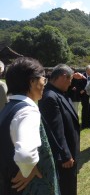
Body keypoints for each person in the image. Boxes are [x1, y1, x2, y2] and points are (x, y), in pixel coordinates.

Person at [0, 57, 60, 195]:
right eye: (43, 79)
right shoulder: (27, 111)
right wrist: (27, 169)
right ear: (32, 81)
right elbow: (26, 155)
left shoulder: (9, 107)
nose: (44, 83)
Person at [39, 64, 81, 195]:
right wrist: (65, 155)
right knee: (66, 187)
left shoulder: (58, 92)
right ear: (63, 77)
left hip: (69, 150)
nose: (70, 83)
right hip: (64, 157)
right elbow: (55, 130)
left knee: (70, 184)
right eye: (69, 80)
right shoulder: (50, 97)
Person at [79, 65, 90, 129]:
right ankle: (84, 124)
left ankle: (88, 123)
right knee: (85, 109)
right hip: (84, 95)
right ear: (87, 70)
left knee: (89, 109)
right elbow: (79, 84)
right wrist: (82, 90)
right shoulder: (82, 76)